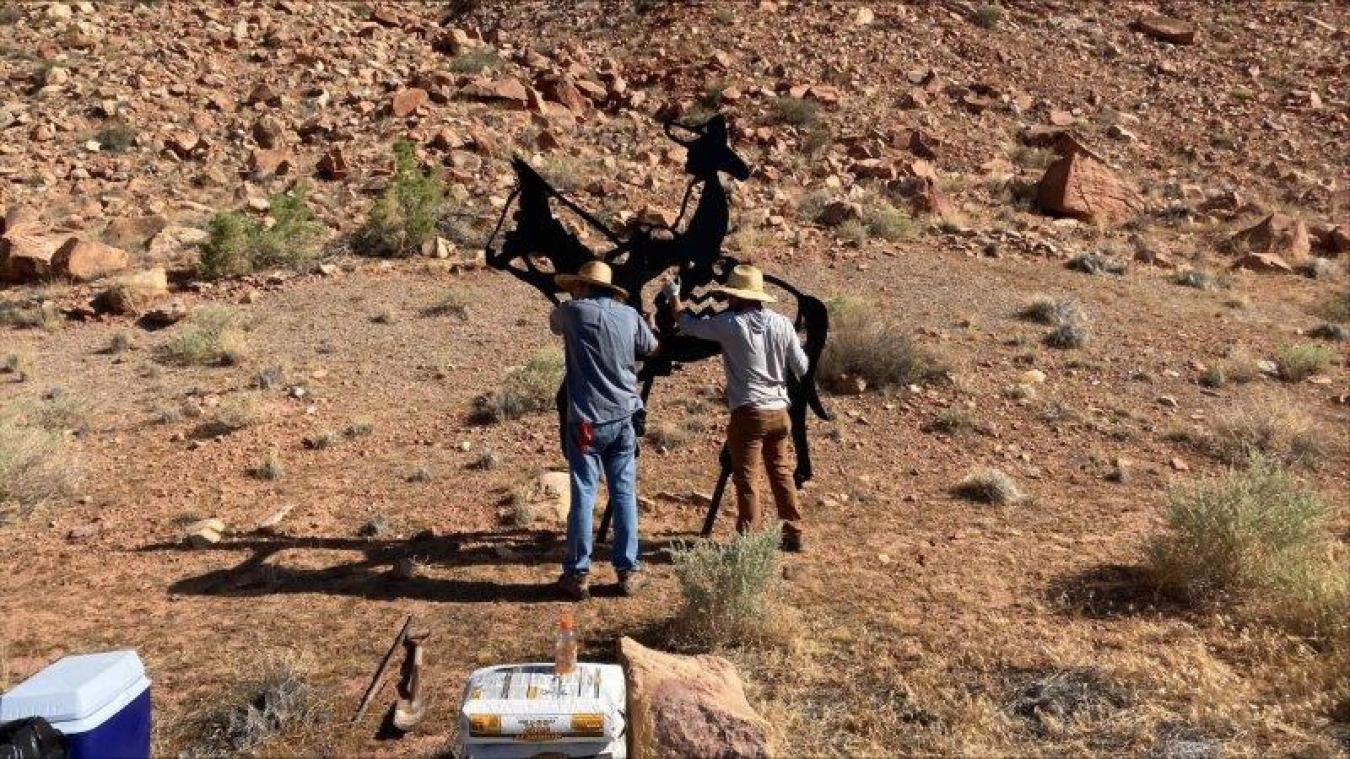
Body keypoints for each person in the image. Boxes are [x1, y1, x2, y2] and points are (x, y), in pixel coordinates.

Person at [665, 264, 809, 552]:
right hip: (780, 412)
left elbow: (688, 325)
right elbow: (802, 366)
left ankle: (749, 542)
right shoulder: (781, 323)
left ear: (737, 297)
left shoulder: (731, 324)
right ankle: (793, 531)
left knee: (747, 477)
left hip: (749, 411)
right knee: (780, 471)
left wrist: (674, 297)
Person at [550, 259, 659, 600]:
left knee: (584, 493)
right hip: (623, 416)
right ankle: (628, 570)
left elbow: (554, 323)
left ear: (582, 286)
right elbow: (652, 348)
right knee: (623, 493)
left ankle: (578, 574)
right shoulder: (628, 316)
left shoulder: (572, 313)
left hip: (586, 420)